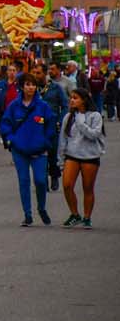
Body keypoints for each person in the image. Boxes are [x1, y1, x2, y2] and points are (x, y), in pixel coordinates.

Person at [0, 72, 55, 227]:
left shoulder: (43, 106)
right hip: (19, 150)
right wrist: (10, 140)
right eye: (27, 84)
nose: (31, 87)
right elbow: (5, 124)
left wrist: (46, 142)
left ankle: (42, 208)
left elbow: (51, 125)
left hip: (39, 150)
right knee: (24, 181)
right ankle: (28, 214)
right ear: (22, 87)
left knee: (41, 181)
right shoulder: (14, 106)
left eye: (33, 84)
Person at [58, 88, 106, 229]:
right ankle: (74, 214)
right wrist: (60, 159)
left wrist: (80, 122)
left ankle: (87, 217)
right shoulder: (68, 117)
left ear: (84, 100)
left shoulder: (95, 116)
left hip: (89, 156)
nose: (72, 100)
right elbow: (63, 138)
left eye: (75, 98)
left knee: (88, 188)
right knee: (67, 185)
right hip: (72, 155)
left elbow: (94, 134)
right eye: (71, 98)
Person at [32, 60, 67, 193]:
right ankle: (42, 181)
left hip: (52, 126)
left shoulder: (55, 88)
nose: (36, 75)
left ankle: (54, 175)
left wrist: (60, 120)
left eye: (39, 73)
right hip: (36, 127)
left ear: (45, 73)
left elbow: (64, 105)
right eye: (34, 73)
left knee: (52, 154)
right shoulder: (31, 88)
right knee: (39, 154)